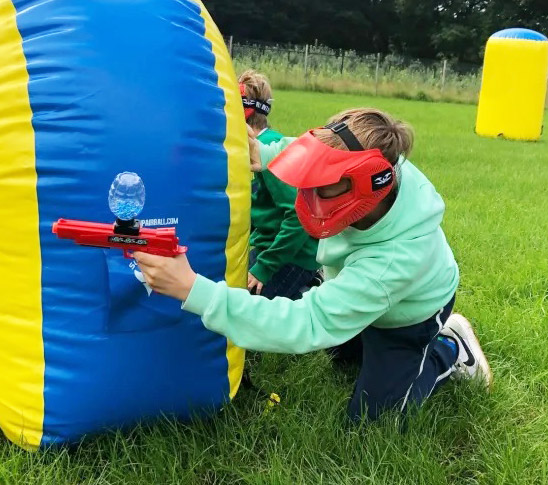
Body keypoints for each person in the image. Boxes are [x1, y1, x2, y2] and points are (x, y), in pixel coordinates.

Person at [134, 108, 492, 421]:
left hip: (411, 315)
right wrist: (264, 151)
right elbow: (318, 150)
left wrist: (192, 290)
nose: (307, 194)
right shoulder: (378, 160)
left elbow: (307, 323)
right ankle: (365, 339)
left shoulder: (395, 260)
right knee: (341, 353)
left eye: (323, 187)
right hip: (364, 291)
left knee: (373, 423)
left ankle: (449, 350)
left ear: (366, 185)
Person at [239, 69, 319, 299]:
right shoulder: (257, 146)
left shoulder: (268, 150)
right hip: (271, 249)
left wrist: (264, 268)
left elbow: (299, 214)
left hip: (292, 256)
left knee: (249, 318)